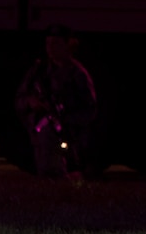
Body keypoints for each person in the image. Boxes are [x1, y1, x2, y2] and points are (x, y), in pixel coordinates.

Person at [15, 24, 98, 180]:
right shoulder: (39, 70)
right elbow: (20, 99)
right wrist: (31, 103)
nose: (51, 48)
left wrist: (64, 119)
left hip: (67, 136)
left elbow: (90, 110)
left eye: (57, 43)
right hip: (41, 138)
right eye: (48, 43)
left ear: (68, 45)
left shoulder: (77, 74)